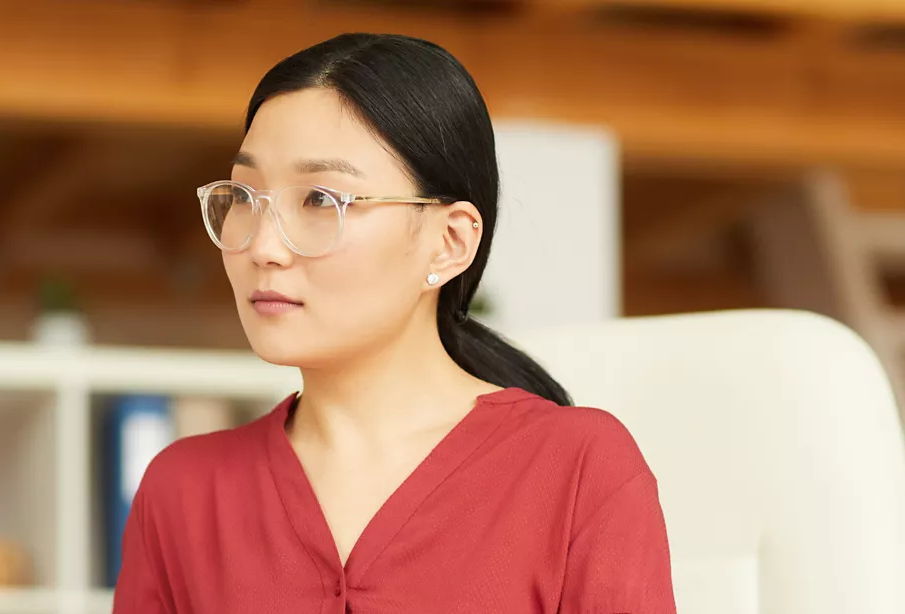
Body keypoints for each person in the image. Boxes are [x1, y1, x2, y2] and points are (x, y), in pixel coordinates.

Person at [114, 32, 675, 613]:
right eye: (245, 197)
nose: (261, 246)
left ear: (449, 242)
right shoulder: (180, 492)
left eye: (318, 200)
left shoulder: (579, 468)